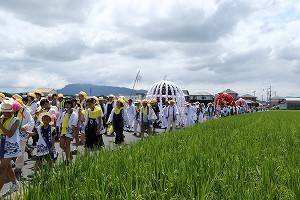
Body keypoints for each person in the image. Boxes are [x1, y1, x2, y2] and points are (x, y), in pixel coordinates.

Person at [0, 99, 22, 192]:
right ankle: (15, 183)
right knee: (8, 167)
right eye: (5, 112)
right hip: (1, 145)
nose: (6, 114)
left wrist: (0, 125)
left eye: (9, 112)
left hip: (10, 147)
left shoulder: (15, 120)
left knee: (1, 170)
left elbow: (10, 134)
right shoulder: (1, 118)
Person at [12, 94, 34, 178]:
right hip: (12, 133)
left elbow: (31, 122)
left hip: (22, 133)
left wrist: (24, 127)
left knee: (20, 151)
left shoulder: (25, 111)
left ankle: (18, 168)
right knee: (9, 150)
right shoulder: (10, 110)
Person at [59, 100, 78, 164]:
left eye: (68, 104)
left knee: (67, 145)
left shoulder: (74, 114)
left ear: (71, 105)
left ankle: (67, 160)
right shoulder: (64, 113)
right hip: (63, 130)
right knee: (61, 145)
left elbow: (74, 124)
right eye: (66, 104)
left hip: (70, 131)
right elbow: (61, 122)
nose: (67, 105)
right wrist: (60, 131)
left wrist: (74, 132)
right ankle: (69, 153)